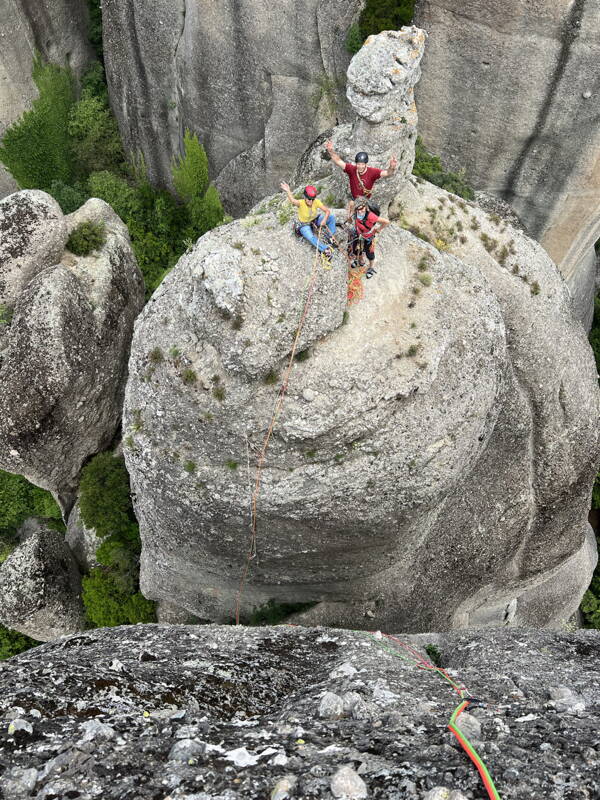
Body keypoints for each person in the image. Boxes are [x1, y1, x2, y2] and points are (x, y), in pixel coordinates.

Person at [325, 141, 398, 218]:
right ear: (356, 163)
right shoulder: (351, 169)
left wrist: (392, 167)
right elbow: (338, 161)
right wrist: (331, 151)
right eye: (358, 164)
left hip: (365, 200)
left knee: (363, 217)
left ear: (366, 164)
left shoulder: (373, 172)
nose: (360, 166)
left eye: (362, 164)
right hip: (354, 199)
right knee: (351, 212)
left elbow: (387, 173)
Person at [280, 182, 336, 261]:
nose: (311, 201)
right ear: (305, 197)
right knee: (310, 237)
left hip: (314, 220)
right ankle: (325, 249)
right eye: (309, 199)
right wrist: (288, 190)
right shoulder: (301, 203)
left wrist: (324, 220)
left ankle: (331, 237)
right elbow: (292, 201)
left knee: (331, 218)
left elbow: (327, 211)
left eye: (312, 199)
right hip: (304, 224)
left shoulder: (316, 201)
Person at [348, 196, 389, 278]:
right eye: (358, 209)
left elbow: (386, 222)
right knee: (356, 250)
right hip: (358, 234)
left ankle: (371, 267)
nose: (360, 211)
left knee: (369, 253)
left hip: (368, 237)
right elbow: (351, 203)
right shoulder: (356, 212)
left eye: (362, 209)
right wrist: (349, 214)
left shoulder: (371, 216)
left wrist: (379, 229)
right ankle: (360, 260)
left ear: (366, 207)